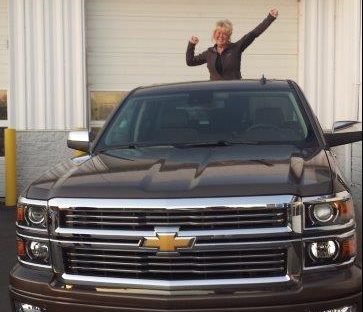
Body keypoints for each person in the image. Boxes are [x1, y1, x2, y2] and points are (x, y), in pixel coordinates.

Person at [186, 9, 279, 80]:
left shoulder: (236, 48)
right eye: (218, 33)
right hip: (214, 95)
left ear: (229, 36)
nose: (221, 36)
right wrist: (191, 44)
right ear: (214, 35)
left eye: (224, 34)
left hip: (235, 92)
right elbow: (190, 62)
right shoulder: (209, 53)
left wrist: (270, 18)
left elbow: (253, 34)